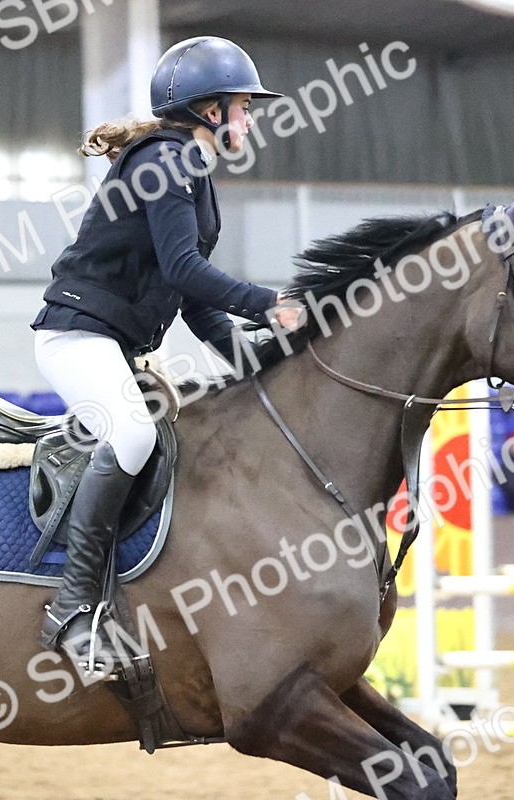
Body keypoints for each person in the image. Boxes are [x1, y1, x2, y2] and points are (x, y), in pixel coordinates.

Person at [29, 36, 304, 671]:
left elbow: (192, 299)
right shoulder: (169, 161)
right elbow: (184, 270)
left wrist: (253, 360)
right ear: (211, 110)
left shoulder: (192, 171)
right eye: (243, 105)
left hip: (113, 341)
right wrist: (267, 304)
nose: (250, 117)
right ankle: (72, 608)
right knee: (131, 434)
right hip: (76, 335)